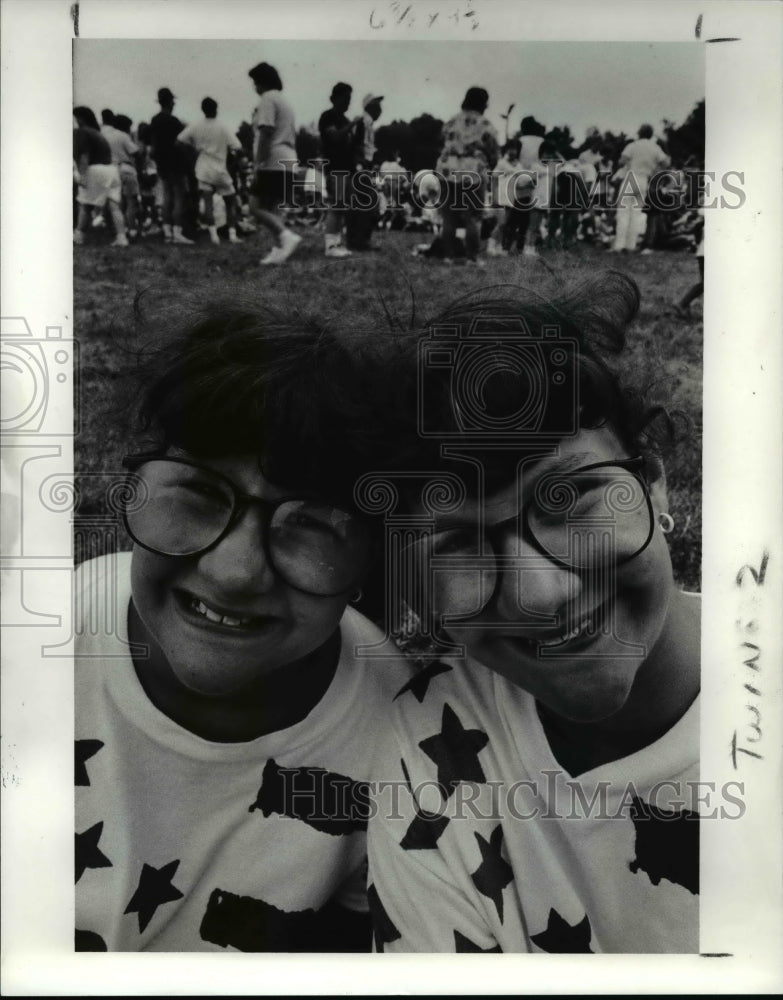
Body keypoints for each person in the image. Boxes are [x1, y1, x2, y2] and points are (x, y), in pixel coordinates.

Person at [364, 273, 701, 952]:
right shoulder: (433, 740)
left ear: (653, 481)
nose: (539, 594)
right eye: (457, 542)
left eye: (569, 498)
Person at [75, 301, 411, 952]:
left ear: (373, 557)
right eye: (197, 494)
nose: (233, 572)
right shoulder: (26, 650)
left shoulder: (401, 750)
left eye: (314, 523)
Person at [436, 86, 499, 264]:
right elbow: (493, 151)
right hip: (473, 171)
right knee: (472, 216)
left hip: (447, 170)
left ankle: (450, 256)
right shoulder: (486, 125)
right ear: (483, 103)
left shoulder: (451, 121)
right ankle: (471, 257)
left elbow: (441, 142)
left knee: (449, 216)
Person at [247, 62, 302, 265]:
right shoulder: (283, 101)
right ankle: (279, 249)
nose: (254, 87)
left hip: (272, 158)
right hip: (288, 158)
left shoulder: (267, 99)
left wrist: (258, 163)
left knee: (255, 206)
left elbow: (266, 132)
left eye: (255, 82)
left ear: (262, 82)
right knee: (272, 208)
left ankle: (287, 237)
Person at [179, 97, 243, 245]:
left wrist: (194, 150)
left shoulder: (196, 126)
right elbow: (237, 146)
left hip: (203, 167)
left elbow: (179, 141)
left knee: (208, 203)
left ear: (203, 110)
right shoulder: (222, 126)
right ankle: (232, 235)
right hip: (220, 168)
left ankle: (214, 236)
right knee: (230, 201)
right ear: (216, 109)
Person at [73, 106, 128, 247]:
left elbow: (84, 155)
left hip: (94, 169)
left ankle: (78, 236)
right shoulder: (97, 133)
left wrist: (82, 175)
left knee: (85, 205)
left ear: (79, 118)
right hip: (111, 170)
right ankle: (121, 237)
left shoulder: (81, 132)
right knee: (114, 206)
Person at [610, 124, 670, 253]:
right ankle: (631, 245)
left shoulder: (633, 145)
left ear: (639, 133)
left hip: (631, 177)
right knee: (636, 214)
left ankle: (619, 245)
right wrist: (654, 170)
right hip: (644, 179)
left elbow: (622, 161)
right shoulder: (655, 148)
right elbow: (666, 163)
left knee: (623, 212)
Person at [148, 87, 194, 245]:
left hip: (162, 163)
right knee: (179, 197)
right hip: (176, 162)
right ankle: (177, 232)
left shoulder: (154, 120)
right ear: (170, 102)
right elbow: (181, 142)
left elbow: (153, 145)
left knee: (167, 197)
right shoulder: (174, 121)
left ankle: (167, 231)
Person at [317, 82, 358, 259]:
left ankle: (337, 241)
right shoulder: (328, 116)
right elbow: (334, 137)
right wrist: (352, 126)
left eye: (350, 99)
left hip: (347, 168)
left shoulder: (345, 120)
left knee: (342, 206)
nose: (348, 102)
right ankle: (330, 244)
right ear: (335, 98)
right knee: (336, 205)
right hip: (335, 167)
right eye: (345, 98)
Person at [347, 94, 384, 251]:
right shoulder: (363, 122)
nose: (380, 108)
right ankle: (359, 241)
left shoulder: (368, 123)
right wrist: (360, 164)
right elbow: (356, 143)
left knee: (366, 204)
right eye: (377, 104)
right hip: (360, 166)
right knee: (365, 204)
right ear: (369, 106)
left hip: (365, 166)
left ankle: (360, 240)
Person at [103, 113, 141, 240]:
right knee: (131, 201)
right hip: (126, 168)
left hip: (111, 170)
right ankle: (132, 229)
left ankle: (119, 229)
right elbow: (135, 152)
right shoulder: (123, 136)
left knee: (116, 203)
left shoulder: (105, 136)